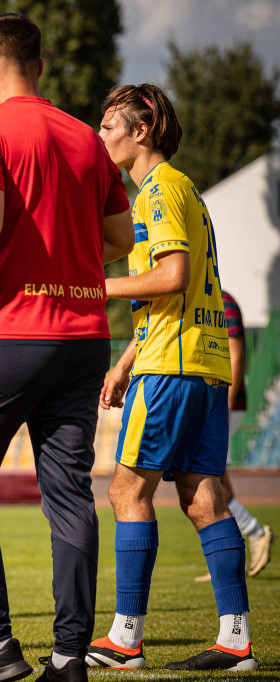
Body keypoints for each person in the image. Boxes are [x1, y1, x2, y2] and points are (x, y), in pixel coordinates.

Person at [0, 13, 134, 682]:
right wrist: (63, 255)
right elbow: (122, 239)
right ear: (38, 67)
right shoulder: (84, 139)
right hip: (84, 338)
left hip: (10, 333)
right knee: (69, 493)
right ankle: (70, 658)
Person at [85, 84, 257, 672]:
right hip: (200, 364)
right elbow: (180, 294)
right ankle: (236, 641)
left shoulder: (157, 190)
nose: (101, 133)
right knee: (204, 498)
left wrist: (93, 288)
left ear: (142, 131)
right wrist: (124, 361)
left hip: (173, 369)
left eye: (110, 124)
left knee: (126, 492)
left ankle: (125, 639)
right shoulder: (186, 191)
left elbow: (173, 277)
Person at [192, 291, 274, 581]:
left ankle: (253, 532)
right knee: (212, 477)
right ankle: (226, 558)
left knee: (204, 476)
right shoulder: (201, 296)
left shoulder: (221, 299)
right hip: (210, 403)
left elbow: (237, 355)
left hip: (223, 404)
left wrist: (223, 407)